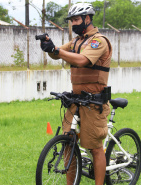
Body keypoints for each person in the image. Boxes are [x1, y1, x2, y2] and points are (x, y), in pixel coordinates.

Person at [40, 3, 112, 185]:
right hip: (76, 100)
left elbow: (82, 60)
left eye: (76, 20)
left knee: (95, 148)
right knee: (67, 143)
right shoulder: (76, 41)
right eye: (71, 20)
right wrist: (49, 47)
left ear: (87, 19)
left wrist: (57, 51)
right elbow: (58, 54)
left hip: (94, 103)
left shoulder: (99, 40)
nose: (73, 23)